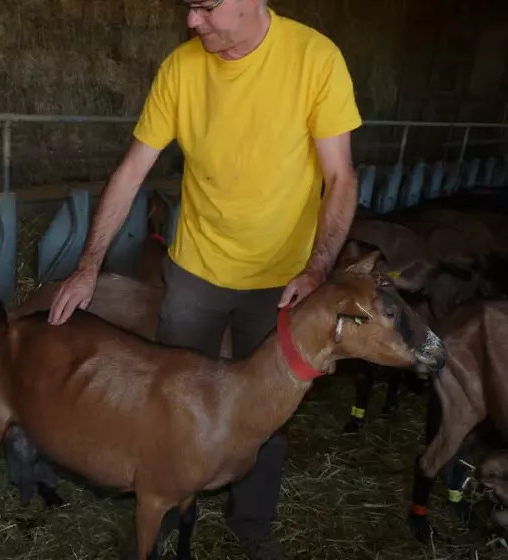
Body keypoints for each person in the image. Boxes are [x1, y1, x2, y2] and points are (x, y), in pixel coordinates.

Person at [47, 0, 362, 557]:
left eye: (205, 7)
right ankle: (163, 509)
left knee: (264, 414)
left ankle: (253, 529)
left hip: (284, 280)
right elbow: (131, 171)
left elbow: (339, 178)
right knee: (170, 405)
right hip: (196, 271)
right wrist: (88, 264)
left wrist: (317, 270)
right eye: (187, 7)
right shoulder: (180, 69)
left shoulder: (316, 60)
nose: (192, 22)